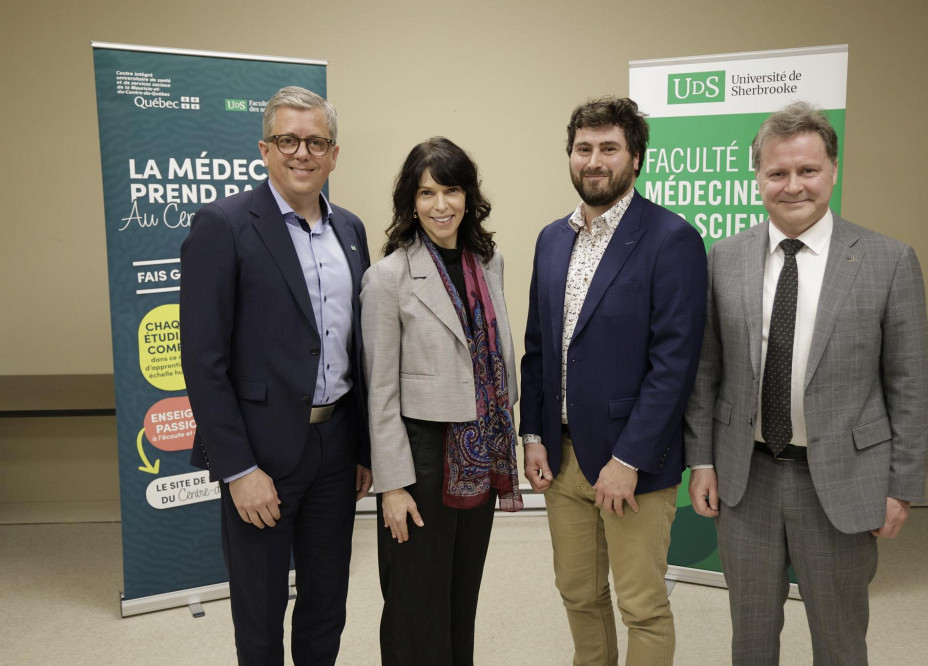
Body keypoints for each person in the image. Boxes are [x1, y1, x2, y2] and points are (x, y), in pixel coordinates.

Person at [683, 102, 928, 665]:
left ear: (833, 171)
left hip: (843, 483)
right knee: (750, 637)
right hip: (746, 479)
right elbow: (706, 372)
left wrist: (901, 486)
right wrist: (701, 459)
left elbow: (909, 384)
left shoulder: (888, 261)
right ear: (758, 178)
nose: (793, 186)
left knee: (840, 640)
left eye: (808, 170)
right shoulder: (723, 258)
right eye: (777, 173)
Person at [180, 86, 372, 665]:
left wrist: (362, 447)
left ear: (334, 154)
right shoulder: (224, 224)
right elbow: (203, 359)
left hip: (336, 448)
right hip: (260, 454)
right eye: (287, 140)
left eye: (316, 141)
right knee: (260, 613)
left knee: (326, 602)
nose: (302, 153)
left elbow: (357, 347)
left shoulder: (352, 230)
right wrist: (237, 468)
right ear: (265, 149)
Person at [519, 97, 707, 665]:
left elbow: (675, 362)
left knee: (641, 603)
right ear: (570, 156)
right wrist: (532, 436)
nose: (594, 160)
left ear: (635, 158)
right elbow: (537, 349)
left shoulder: (671, 239)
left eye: (608, 148)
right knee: (578, 593)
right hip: (563, 456)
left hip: (631, 462)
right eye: (583, 149)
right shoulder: (553, 238)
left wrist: (629, 459)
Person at [360, 137, 522, 665]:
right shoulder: (388, 278)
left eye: (451, 190)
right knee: (414, 604)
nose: (440, 205)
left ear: (469, 196)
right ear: (410, 200)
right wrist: (392, 487)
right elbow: (380, 394)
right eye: (427, 192)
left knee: (460, 597)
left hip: (478, 456)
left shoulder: (488, 263)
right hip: (422, 460)